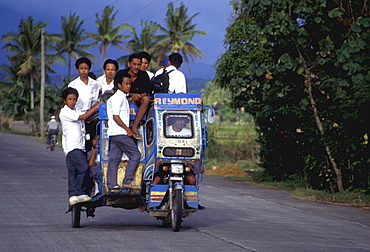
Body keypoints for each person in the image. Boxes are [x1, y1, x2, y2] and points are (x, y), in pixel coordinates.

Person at [59, 87, 100, 206]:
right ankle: (81, 192)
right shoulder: (65, 112)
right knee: (84, 168)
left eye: (74, 99)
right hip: (73, 146)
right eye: (70, 99)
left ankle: (72, 195)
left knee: (73, 171)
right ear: (65, 101)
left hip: (80, 145)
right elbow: (82, 117)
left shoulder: (76, 109)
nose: (72, 101)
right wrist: (95, 107)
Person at [106, 70, 141, 192]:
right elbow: (116, 116)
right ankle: (127, 180)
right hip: (120, 133)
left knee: (114, 159)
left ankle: (112, 185)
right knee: (136, 155)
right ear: (119, 85)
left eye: (130, 84)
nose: (129, 86)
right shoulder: (117, 98)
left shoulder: (122, 98)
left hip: (115, 134)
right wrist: (128, 129)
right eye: (126, 84)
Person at [68, 57, 100, 149]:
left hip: (91, 115)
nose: (83, 71)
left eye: (85, 68)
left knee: (92, 139)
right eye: (81, 68)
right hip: (78, 114)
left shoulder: (95, 84)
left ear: (89, 69)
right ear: (77, 69)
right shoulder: (73, 84)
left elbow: (98, 95)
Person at [122, 53, 152, 139]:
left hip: (138, 99)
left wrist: (138, 96)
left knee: (146, 100)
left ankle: (135, 126)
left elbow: (146, 91)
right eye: (134, 64)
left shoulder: (144, 75)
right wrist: (131, 94)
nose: (136, 67)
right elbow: (118, 89)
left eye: (139, 64)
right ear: (129, 64)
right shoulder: (122, 74)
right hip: (123, 97)